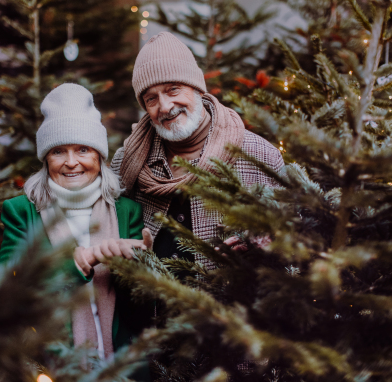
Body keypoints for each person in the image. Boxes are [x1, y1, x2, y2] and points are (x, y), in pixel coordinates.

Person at [0, 83, 152, 362]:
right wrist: (82, 260)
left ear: (99, 155)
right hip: (48, 364)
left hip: (117, 362)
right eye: (59, 151)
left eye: (83, 149)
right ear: (46, 158)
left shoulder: (126, 210)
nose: (71, 162)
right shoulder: (20, 211)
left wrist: (140, 266)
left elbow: (137, 303)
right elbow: (12, 286)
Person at [110, 32, 285, 267]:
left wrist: (258, 249)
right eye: (151, 99)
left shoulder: (258, 156)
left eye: (173, 89)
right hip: (150, 304)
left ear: (197, 89)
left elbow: (292, 244)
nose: (165, 106)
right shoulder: (127, 161)